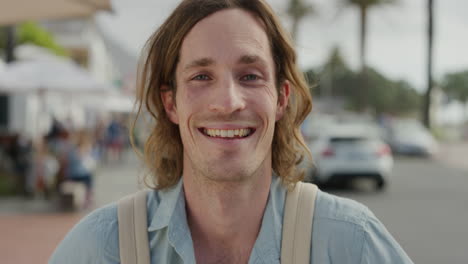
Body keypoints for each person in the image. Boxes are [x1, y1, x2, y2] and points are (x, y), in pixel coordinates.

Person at [50, 0, 413, 263]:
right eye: (201, 77)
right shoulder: (100, 247)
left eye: (250, 76)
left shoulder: (351, 242)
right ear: (171, 103)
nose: (228, 102)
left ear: (281, 99)